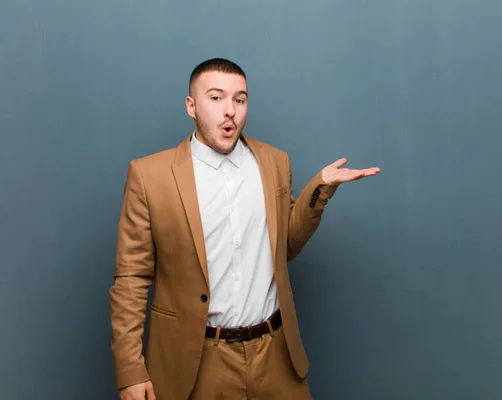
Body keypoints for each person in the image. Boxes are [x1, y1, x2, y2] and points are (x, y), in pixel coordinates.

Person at [109, 58, 380, 400]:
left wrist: (320, 188)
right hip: (197, 362)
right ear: (191, 106)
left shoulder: (274, 162)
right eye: (216, 98)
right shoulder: (149, 176)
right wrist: (130, 370)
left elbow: (286, 248)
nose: (230, 111)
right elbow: (131, 279)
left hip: (275, 356)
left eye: (239, 99)